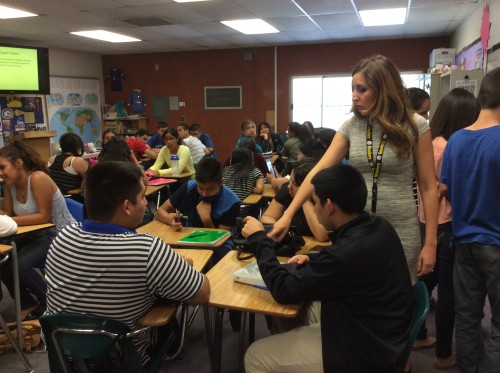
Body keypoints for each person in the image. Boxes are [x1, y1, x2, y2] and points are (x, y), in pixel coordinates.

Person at [270, 55, 439, 282]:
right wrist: (287, 215)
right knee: (356, 300)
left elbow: (428, 187)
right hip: (357, 231)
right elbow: (317, 171)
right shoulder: (352, 126)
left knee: (394, 302)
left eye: (361, 89)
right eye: (352, 88)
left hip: (401, 229)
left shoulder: (416, 126)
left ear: (383, 89)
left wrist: (430, 243)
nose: (354, 96)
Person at [242, 165, 414, 372]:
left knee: (254, 356)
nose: (314, 209)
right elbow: (348, 264)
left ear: (329, 205)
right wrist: (312, 258)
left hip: (366, 350)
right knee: (290, 310)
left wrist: (258, 239)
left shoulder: (345, 254)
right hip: (382, 329)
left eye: (315, 202)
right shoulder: (378, 225)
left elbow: (282, 289)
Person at [45, 161, 210, 366]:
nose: (145, 204)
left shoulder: (62, 237)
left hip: (66, 356)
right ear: (127, 206)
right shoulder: (147, 249)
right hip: (124, 359)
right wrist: (181, 264)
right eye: (142, 198)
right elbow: (203, 294)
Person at [413, 88, 480, 368]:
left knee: (424, 281)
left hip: (424, 221)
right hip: (446, 224)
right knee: (449, 290)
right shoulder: (451, 145)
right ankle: (442, 353)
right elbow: (442, 186)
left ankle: (418, 335)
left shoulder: (430, 141)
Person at [439, 67, 500, 373]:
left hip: (463, 241)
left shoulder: (456, 140)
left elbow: (446, 189)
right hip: (496, 244)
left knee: (467, 319)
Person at [0, 141, 75, 319]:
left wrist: (6, 220)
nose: (1, 173)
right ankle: (27, 302)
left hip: (60, 234)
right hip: (36, 235)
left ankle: (52, 306)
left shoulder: (38, 178)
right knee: (2, 261)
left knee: (20, 263)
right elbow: (7, 213)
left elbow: (44, 217)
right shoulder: (10, 185)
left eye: (3, 167)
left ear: (18, 163)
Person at [156, 157, 240, 262]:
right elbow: (160, 211)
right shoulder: (189, 187)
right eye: (200, 188)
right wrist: (170, 220)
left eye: (210, 189)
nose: (204, 194)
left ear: (221, 182)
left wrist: (206, 220)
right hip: (188, 239)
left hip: (219, 246)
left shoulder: (232, 201)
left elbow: (220, 239)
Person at [261, 158, 328, 241]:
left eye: (295, 184)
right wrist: (283, 231)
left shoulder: (324, 200)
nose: (289, 186)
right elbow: (267, 217)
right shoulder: (286, 191)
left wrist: (303, 198)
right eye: (290, 181)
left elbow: (322, 236)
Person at [222, 147, 264, 217]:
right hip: (243, 211)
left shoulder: (225, 170)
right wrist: (249, 188)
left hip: (225, 209)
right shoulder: (255, 172)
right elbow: (259, 190)